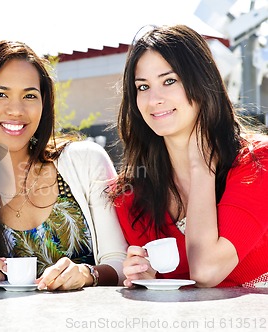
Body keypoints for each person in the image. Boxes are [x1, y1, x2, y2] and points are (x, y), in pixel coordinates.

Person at [0, 40, 127, 290]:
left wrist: (87, 274)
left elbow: (121, 262)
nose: (16, 110)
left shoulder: (86, 161)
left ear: (44, 104)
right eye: (0, 94)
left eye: (30, 95)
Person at [111, 24, 268, 288]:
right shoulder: (130, 195)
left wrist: (201, 166)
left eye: (169, 81)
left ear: (202, 82)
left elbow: (206, 271)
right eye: (142, 87)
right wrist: (146, 277)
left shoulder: (257, 162)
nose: (154, 99)